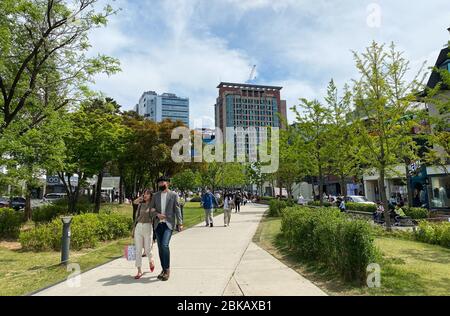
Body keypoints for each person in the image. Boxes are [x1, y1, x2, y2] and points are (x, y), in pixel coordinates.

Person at [149, 176, 183, 282]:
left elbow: (177, 210)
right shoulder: (155, 196)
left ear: (167, 183)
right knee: (160, 248)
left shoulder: (173, 195)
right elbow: (151, 209)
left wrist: (180, 223)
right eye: (159, 183)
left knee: (164, 245)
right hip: (158, 225)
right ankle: (163, 270)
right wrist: (157, 214)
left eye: (162, 182)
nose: (160, 184)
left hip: (168, 224)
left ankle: (167, 270)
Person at [131, 189, 155, 280]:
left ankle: (151, 260)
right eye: (144, 194)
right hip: (138, 227)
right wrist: (133, 229)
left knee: (148, 249)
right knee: (138, 250)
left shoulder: (153, 204)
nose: (145, 195)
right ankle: (139, 270)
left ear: (151, 196)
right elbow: (134, 203)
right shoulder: (140, 204)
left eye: (147, 194)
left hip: (148, 227)